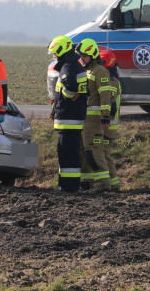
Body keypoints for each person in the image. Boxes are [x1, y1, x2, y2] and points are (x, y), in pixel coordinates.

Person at [48, 35, 88, 192]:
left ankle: (69, 187)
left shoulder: (68, 67)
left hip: (68, 119)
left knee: (67, 156)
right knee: (70, 154)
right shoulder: (74, 65)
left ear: (61, 50)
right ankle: (68, 185)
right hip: (72, 119)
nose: (54, 56)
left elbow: (70, 89)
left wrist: (67, 96)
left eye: (55, 53)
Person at [77, 38, 112, 191]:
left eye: (84, 55)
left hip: (94, 120)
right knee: (84, 152)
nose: (81, 58)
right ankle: (87, 183)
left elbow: (105, 96)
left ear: (92, 54)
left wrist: (105, 116)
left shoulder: (100, 71)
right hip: (84, 119)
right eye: (80, 56)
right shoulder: (86, 70)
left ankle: (103, 185)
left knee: (93, 151)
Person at [99, 48, 123, 192]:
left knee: (105, 155)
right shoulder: (113, 79)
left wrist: (104, 118)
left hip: (109, 125)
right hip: (110, 124)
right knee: (104, 154)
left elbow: (110, 103)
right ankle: (111, 184)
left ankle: (113, 185)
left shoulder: (111, 82)